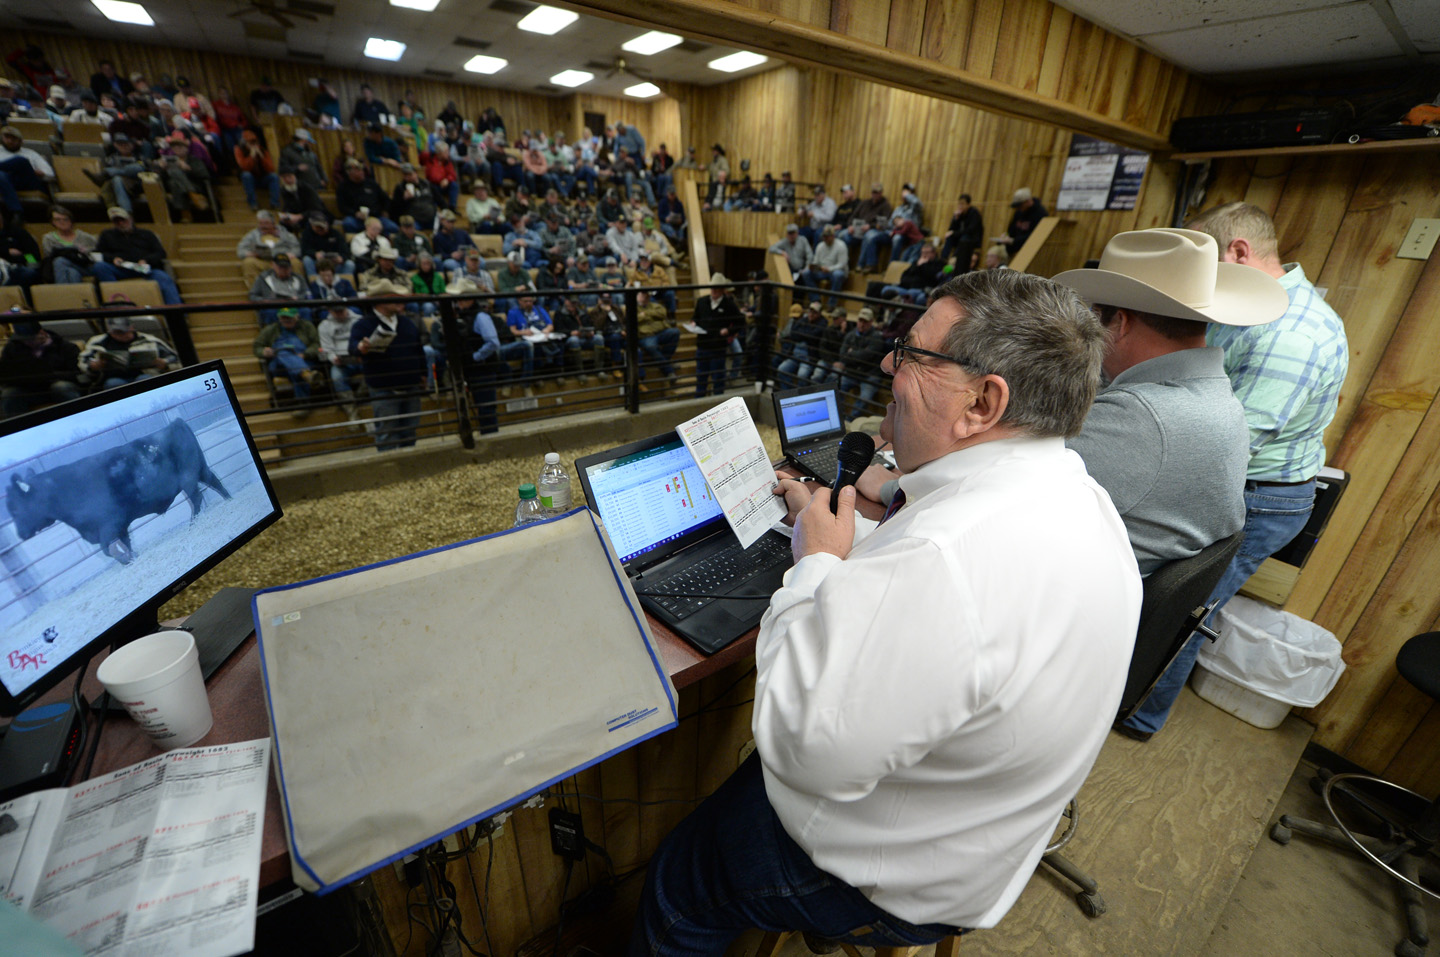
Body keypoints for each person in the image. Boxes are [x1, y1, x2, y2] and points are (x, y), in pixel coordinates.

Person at [630, 268, 1141, 955]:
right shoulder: (1079, 498)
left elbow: (801, 748)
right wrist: (847, 538)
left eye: (913, 353)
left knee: (678, 885)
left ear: (983, 403)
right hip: (978, 839)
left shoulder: (948, 557)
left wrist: (815, 562)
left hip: (891, 873)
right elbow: (941, 595)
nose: (886, 363)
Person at [1117, 202, 1352, 740]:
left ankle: (1137, 715)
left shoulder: (1290, 332)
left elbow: (1238, 439)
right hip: (1241, 478)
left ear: (1237, 252)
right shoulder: (1253, 308)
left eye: (1206, 263)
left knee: (1183, 609)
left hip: (1260, 492)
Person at [1054, 227, 1288, 580]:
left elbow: (1006, 490)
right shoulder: (1219, 401)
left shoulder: (1138, 416)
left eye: (1094, 316)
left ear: (1120, 322)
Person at [351, 278, 427, 451]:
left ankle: (409, 467)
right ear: (381, 301)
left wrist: (423, 374)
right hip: (383, 387)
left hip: (410, 385)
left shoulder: (406, 323)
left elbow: (418, 349)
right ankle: (391, 470)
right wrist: (361, 347)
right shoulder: (363, 325)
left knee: (410, 429)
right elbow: (353, 346)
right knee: (387, 432)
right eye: (392, 296)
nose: (397, 300)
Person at [93, 208, 183, 304]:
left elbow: (161, 253)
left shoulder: (147, 234)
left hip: (144, 269)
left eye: (123, 220)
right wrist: (112, 259)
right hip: (120, 269)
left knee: (163, 278)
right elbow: (98, 254)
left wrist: (146, 260)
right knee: (100, 267)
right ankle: (115, 300)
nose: (120, 223)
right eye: (116, 221)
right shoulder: (107, 235)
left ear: (130, 219)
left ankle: (176, 313)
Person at [0, 320, 82, 417]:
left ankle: (78, 419)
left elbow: (76, 372)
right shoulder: (13, 347)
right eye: (23, 340)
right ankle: (20, 428)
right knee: (9, 394)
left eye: (30, 339)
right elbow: (5, 372)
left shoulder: (65, 346)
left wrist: (52, 375)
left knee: (61, 387)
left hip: (56, 385)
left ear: (42, 333)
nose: (27, 342)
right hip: (27, 389)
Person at [79, 314, 179, 390]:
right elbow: (83, 362)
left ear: (132, 327)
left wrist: (164, 364)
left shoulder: (150, 340)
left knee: (145, 380)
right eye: (117, 333)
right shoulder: (97, 342)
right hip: (112, 378)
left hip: (145, 374)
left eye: (125, 331)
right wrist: (93, 366)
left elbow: (175, 359)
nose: (122, 335)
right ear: (110, 331)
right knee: (114, 384)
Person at [253, 306, 320, 411]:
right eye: (283, 318)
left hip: (304, 360)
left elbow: (316, 344)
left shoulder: (307, 326)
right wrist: (263, 351)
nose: (286, 320)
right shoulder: (270, 329)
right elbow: (257, 347)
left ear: (297, 317)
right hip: (278, 364)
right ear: (279, 318)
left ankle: (303, 406)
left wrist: (305, 354)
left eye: (290, 317)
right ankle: (306, 374)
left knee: (294, 372)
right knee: (283, 351)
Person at [692, 273, 743, 398]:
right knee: (701, 378)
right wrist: (693, 323)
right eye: (713, 288)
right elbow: (695, 318)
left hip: (718, 348)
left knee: (718, 379)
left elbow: (740, 322)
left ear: (722, 290)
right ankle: (699, 405)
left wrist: (728, 331)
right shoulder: (702, 301)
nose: (714, 291)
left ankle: (718, 406)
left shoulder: (729, 305)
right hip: (703, 346)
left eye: (717, 288)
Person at [834, 306, 888, 420]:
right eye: (860, 320)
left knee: (865, 397)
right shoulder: (850, 334)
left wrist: (851, 353)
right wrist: (856, 355)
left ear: (871, 322)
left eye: (865, 321)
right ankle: (840, 419)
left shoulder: (877, 337)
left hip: (870, 375)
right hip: (852, 373)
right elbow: (842, 355)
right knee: (836, 389)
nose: (862, 324)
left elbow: (866, 356)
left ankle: (849, 421)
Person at [237, 210, 302, 286]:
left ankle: (297, 289)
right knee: (248, 263)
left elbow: (296, 248)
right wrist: (249, 253)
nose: (263, 226)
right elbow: (241, 250)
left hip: (283, 261)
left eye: (266, 223)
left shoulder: (286, 234)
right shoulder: (252, 235)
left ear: (273, 224)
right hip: (263, 261)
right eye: (261, 223)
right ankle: (256, 291)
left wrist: (291, 254)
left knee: (296, 262)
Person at [0, 125, 53, 215]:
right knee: (1, 175)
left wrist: (39, 173)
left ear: (21, 141)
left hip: (27, 182)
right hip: (5, 182)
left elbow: (50, 173)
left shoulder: (30, 153)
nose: (9, 141)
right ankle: (16, 212)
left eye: (13, 139)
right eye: (7, 138)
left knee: (21, 161)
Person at [41, 206, 99, 285]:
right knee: (72, 273)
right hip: (60, 270)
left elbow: (95, 255)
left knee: (60, 261)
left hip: (84, 267)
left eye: (65, 219)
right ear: (52, 222)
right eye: (57, 219)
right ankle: (76, 296)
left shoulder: (85, 237)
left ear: (71, 221)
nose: (62, 222)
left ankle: (61, 294)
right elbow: (49, 258)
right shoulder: (48, 239)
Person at [248, 252, 311, 325]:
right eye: (280, 267)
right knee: (269, 312)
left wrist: (298, 298)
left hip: (294, 306)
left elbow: (306, 294)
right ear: (273, 265)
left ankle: (304, 335)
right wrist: (265, 301)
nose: (284, 270)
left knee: (305, 311)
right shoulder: (263, 278)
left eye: (286, 267)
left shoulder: (298, 278)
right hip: (274, 307)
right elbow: (252, 295)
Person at [336, 159, 396, 233]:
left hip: (375, 216)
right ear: (350, 173)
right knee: (348, 223)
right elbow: (342, 206)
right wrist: (355, 213)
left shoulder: (371, 183)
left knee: (392, 227)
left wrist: (385, 210)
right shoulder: (343, 187)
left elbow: (385, 199)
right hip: (356, 218)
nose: (362, 172)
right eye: (358, 170)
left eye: (362, 170)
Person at [795, 226, 848, 308]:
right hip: (822, 270)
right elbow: (816, 261)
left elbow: (842, 264)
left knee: (838, 275)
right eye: (824, 236)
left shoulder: (841, 245)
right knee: (806, 273)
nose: (825, 238)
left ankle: (831, 304)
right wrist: (812, 267)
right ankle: (815, 299)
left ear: (833, 236)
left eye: (827, 236)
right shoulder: (820, 246)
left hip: (835, 271)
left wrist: (829, 269)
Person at [998, 188, 1047, 258]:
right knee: (994, 252)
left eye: (1020, 205)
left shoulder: (1041, 214)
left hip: (1029, 249)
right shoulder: (1019, 212)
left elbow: (1036, 235)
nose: (1018, 208)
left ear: (1028, 202)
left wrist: (1014, 241)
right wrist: (1006, 235)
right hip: (1013, 247)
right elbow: (1011, 229)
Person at [299, 213, 351, 277]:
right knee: (307, 260)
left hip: (334, 264)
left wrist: (341, 258)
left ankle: (342, 284)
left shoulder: (335, 233)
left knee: (349, 264)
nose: (320, 229)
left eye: (322, 227)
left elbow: (345, 251)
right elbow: (304, 250)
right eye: (317, 227)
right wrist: (315, 254)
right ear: (312, 226)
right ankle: (314, 282)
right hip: (317, 263)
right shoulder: (307, 234)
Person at [940, 193, 983, 268]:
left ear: (968, 205)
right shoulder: (959, 214)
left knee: (964, 239)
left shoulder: (974, 214)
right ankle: (943, 259)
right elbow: (951, 229)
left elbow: (970, 230)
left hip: (972, 239)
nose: (960, 206)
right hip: (960, 237)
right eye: (959, 204)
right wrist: (955, 219)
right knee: (950, 237)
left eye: (963, 204)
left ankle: (954, 259)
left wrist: (954, 233)